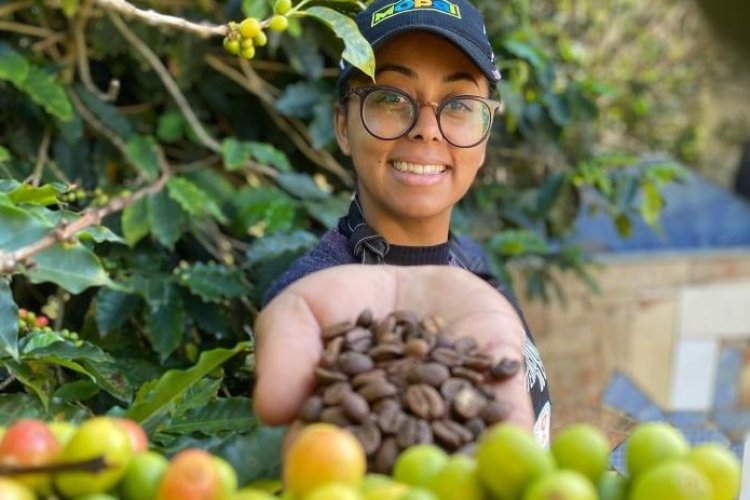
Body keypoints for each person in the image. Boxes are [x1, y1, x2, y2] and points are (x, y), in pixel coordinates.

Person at [253, 0, 552, 445]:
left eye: (459, 104)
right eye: (391, 98)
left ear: (485, 134)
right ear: (342, 125)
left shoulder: (473, 264)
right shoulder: (317, 306)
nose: (426, 129)